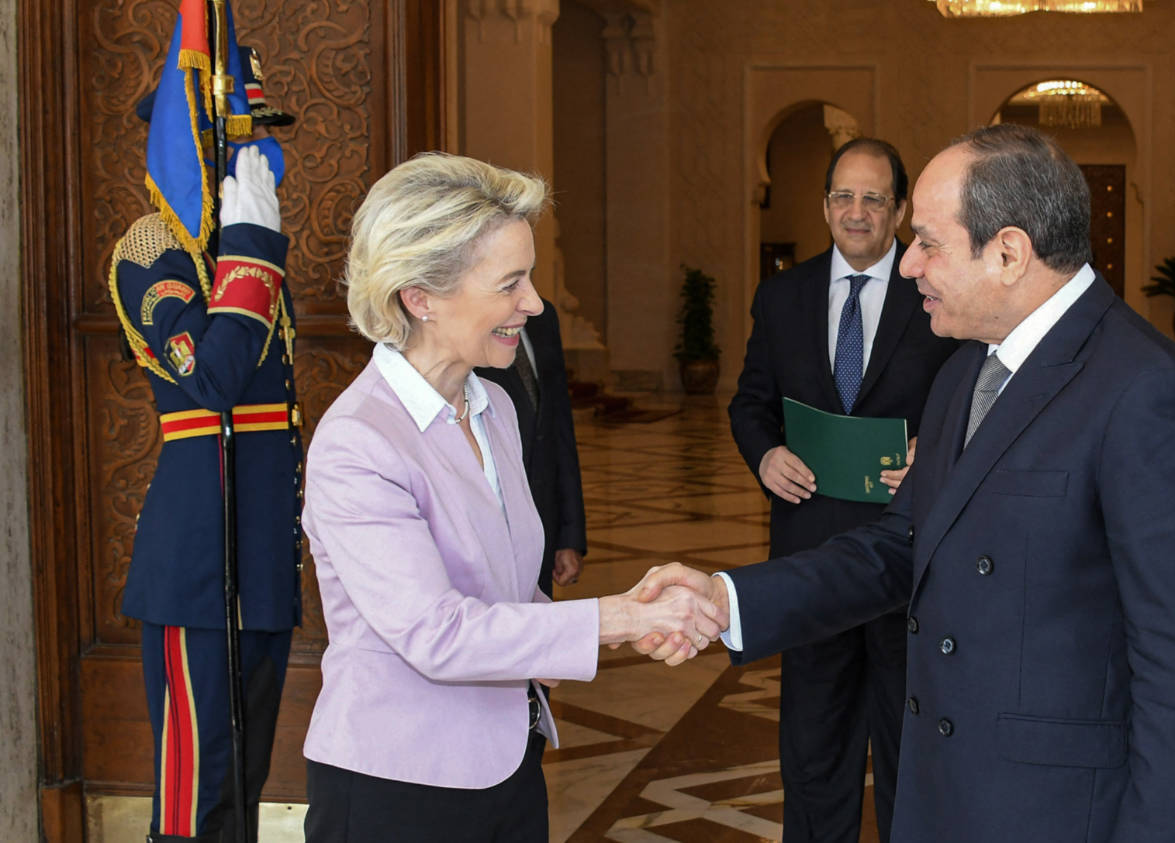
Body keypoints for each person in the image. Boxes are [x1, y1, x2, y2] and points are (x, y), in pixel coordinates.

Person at [646, 124, 1175, 841]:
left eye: (929, 243)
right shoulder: (965, 369)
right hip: (943, 795)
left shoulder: (1148, 393)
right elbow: (900, 547)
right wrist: (728, 598)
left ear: (1008, 252)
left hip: (1054, 814)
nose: (907, 267)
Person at [299, 153, 724, 842]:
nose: (533, 304)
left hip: (508, 760)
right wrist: (611, 617)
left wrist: (636, 615)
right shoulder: (359, 443)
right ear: (420, 296)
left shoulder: (492, 402)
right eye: (510, 283)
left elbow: (506, 589)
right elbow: (436, 633)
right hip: (399, 785)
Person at [726, 136, 958, 842]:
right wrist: (765, 455)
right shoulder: (782, 295)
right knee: (814, 745)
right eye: (843, 196)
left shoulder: (938, 294)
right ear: (826, 205)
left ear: (899, 211)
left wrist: (932, 451)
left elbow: (972, 397)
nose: (856, 212)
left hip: (909, 559)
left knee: (905, 745)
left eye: (874, 198)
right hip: (809, 553)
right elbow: (749, 402)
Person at [111, 46, 299, 843]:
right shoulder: (152, 252)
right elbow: (214, 379)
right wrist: (252, 246)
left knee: (242, 789)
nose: (254, 147)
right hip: (199, 568)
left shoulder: (237, 250)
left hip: (257, 564)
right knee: (197, 800)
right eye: (234, 131)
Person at [476, 297, 586, 595]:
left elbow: (558, 426)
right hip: (489, 531)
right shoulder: (466, 322)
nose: (532, 300)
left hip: (542, 523)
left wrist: (568, 535)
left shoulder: (542, 316)